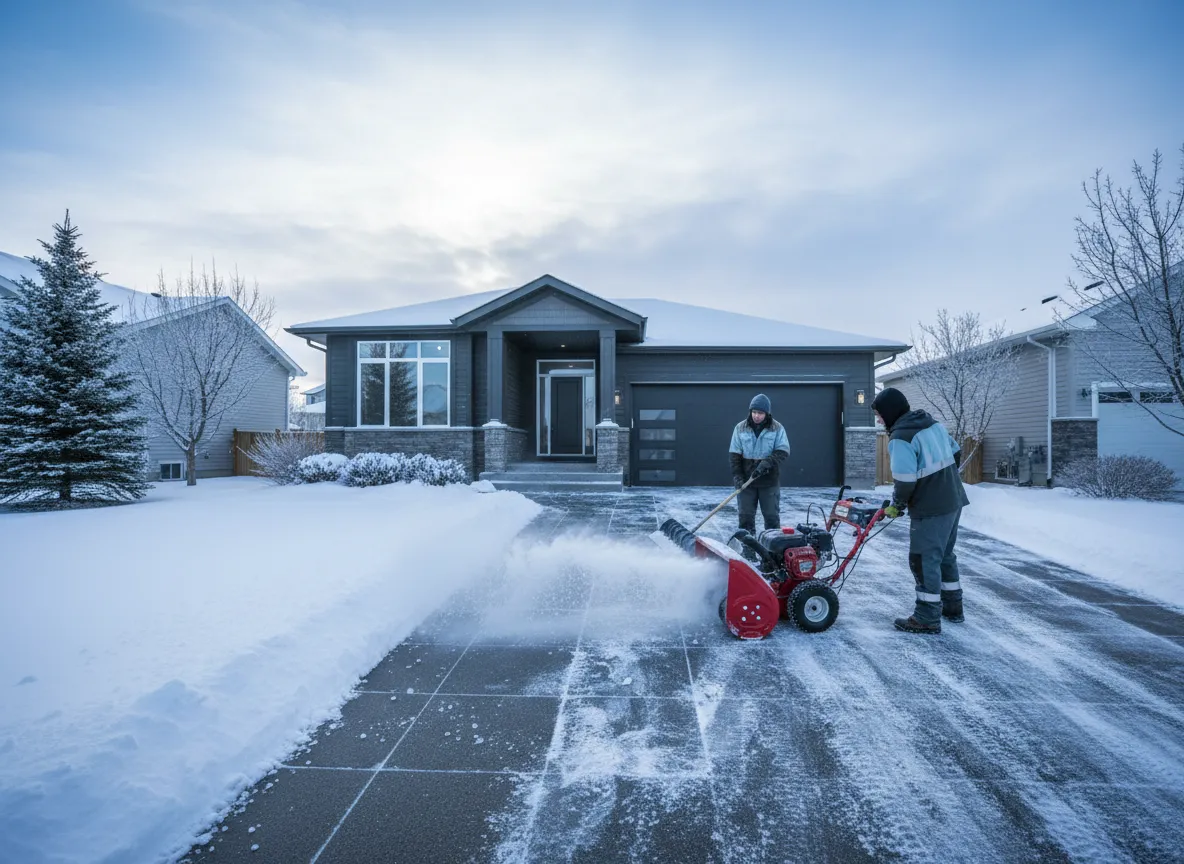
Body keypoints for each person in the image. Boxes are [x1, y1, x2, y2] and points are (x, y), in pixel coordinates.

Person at [873, 387, 970, 634]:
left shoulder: (901, 438)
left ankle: (926, 617)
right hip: (953, 499)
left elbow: (905, 481)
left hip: (931, 508)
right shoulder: (932, 425)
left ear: (890, 411)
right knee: (945, 555)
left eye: (880, 415)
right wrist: (943, 481)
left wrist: (896, 507)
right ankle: (952, 608)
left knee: (923, 559)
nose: (879, 420)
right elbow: (956, 451)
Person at [729, 393, 791, 535]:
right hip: (746, 482)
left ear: (767, 413)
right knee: (745, 519)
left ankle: (772, 552)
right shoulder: (740, 428)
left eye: (760, 413)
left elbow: (783, 451)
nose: (756, 416)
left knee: (771, 518)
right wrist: (737, 476)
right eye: (754, 412)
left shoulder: (777, 428)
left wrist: (767, 463)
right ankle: (747, 550)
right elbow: (734, 455)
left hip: (769, 482)